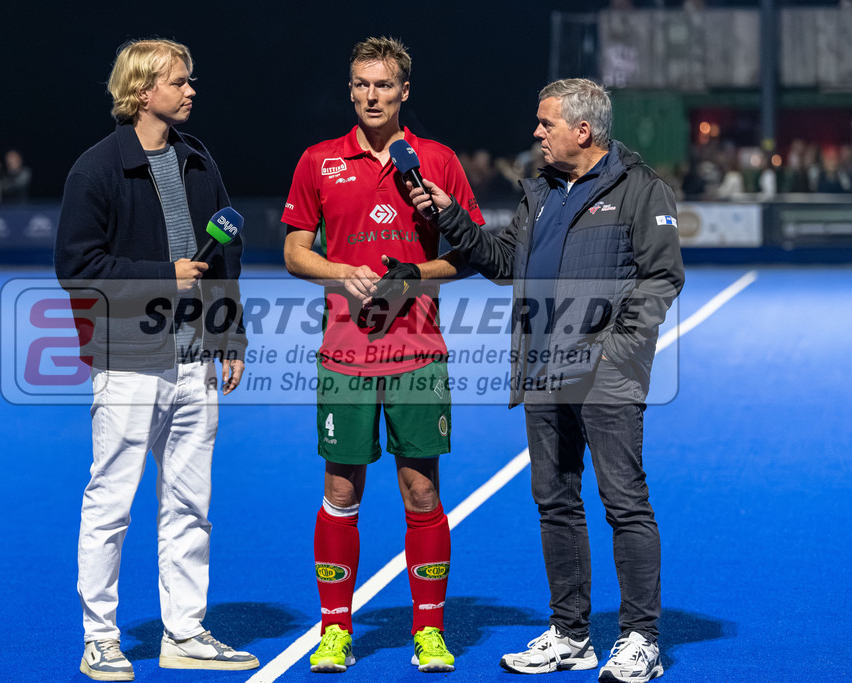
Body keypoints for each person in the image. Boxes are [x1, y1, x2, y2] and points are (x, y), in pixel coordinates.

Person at [408, 78, 684, 683]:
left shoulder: (639, 189)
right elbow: (503, 262)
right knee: (555, 503)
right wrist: (451, 216)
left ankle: (640, 638)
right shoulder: (540, 195)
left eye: (545, 123)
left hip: (605, 379)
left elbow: (661, 280)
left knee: (624, 505)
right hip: (542, 373)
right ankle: (571, 634)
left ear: (582, 131)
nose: (536, 132)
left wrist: (618, 352)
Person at [54, 38, 256, 681]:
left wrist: (230, 333)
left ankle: (185, 633)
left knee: (190, 504)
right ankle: (101, 637)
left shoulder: (199, 160)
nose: (191, 89)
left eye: (190, 79)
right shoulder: (96, 169)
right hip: (131, 358)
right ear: (142, 90)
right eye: (179, 81)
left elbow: (225, 258)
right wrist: (161, 276)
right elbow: (76, 269)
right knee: (111, 503)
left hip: (197, 362)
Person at [282, 36, 484, 674]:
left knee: (421, 491)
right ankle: (335, 630)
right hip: (344, 354)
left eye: (384, 86)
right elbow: (294, 251)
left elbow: (468, 253)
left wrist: (413, 276)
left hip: (418, 353)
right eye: (362, 85)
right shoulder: (318, 161)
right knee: (341, 488)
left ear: (404, 93)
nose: (372, 96)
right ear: (351, 90)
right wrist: (341, 272)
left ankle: (429, 631)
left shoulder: (437, 162)